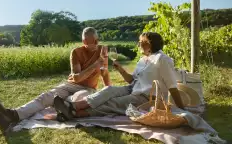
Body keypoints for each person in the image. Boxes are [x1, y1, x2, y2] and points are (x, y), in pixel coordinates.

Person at [0, 27, 111, 135]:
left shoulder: (102, 50)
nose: (95, 43)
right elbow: (77, 77)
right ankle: (12, 115)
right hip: (71, 84)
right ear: (83, 41)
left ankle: (65, 108)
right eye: (91, 41)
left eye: (96, 40)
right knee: (46, 97)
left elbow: (104, 73)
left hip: (89, 88)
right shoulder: (76, 52)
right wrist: (94, 65)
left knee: (77, 99)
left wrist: (108, 90)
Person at [53, 32, 184, 120]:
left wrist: (184, 110)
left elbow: (172, 86)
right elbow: (132, 80)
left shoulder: (162, 59)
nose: (138, 44)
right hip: (132, 88)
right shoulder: (143, 59)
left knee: (113, 103)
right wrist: (120, 69)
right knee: (108, 90)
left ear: (149, 44)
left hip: (147, 97)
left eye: (141, 42)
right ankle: (74, 106)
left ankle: (75, 114)